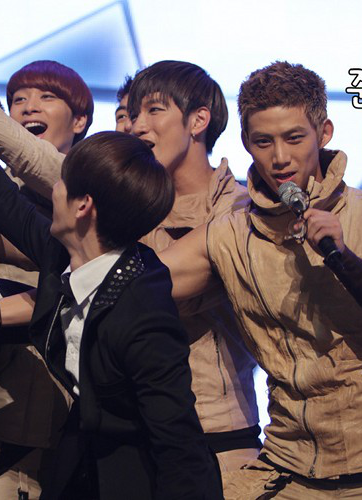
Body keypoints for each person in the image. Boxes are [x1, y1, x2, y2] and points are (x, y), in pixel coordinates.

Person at [0, 78, 223, 499]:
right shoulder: (67, 254)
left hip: (137, 482)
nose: (53, 188)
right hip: (80, 468)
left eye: (62, 183)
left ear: (83, 206)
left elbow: (179, 447)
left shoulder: (143, 311)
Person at [159, 61, 362, 498]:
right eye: (264, 141)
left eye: (294, 138)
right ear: (246, 143)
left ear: (323, 133)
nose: (280, 157)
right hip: (290, 468)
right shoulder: (230, 234)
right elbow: (143, 285)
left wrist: (344, 259)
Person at [126, 61, 261, 478]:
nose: (137, 126)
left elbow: (150, 294)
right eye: (132, 115)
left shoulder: (244, 211)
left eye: (153, 110)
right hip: (132, 434)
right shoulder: (130, 207)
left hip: (220, 438)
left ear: (198, 120)